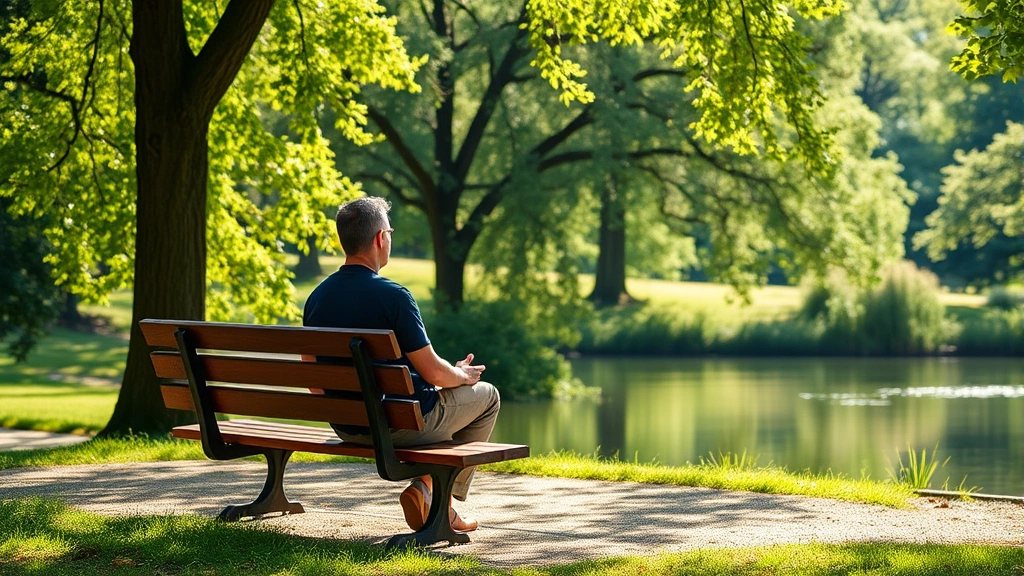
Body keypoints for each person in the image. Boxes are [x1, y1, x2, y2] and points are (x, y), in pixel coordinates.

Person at [303, 196, 499, 533]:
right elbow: (432, 372)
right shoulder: (394, 296)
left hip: (346, 425)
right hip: (400, 426)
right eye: (390, 231)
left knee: (435, 394)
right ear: (380, 238)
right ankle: (431, 492)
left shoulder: (317, 297)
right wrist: (461, 375)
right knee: (488, 397)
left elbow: (314, 380)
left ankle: (433, 496)